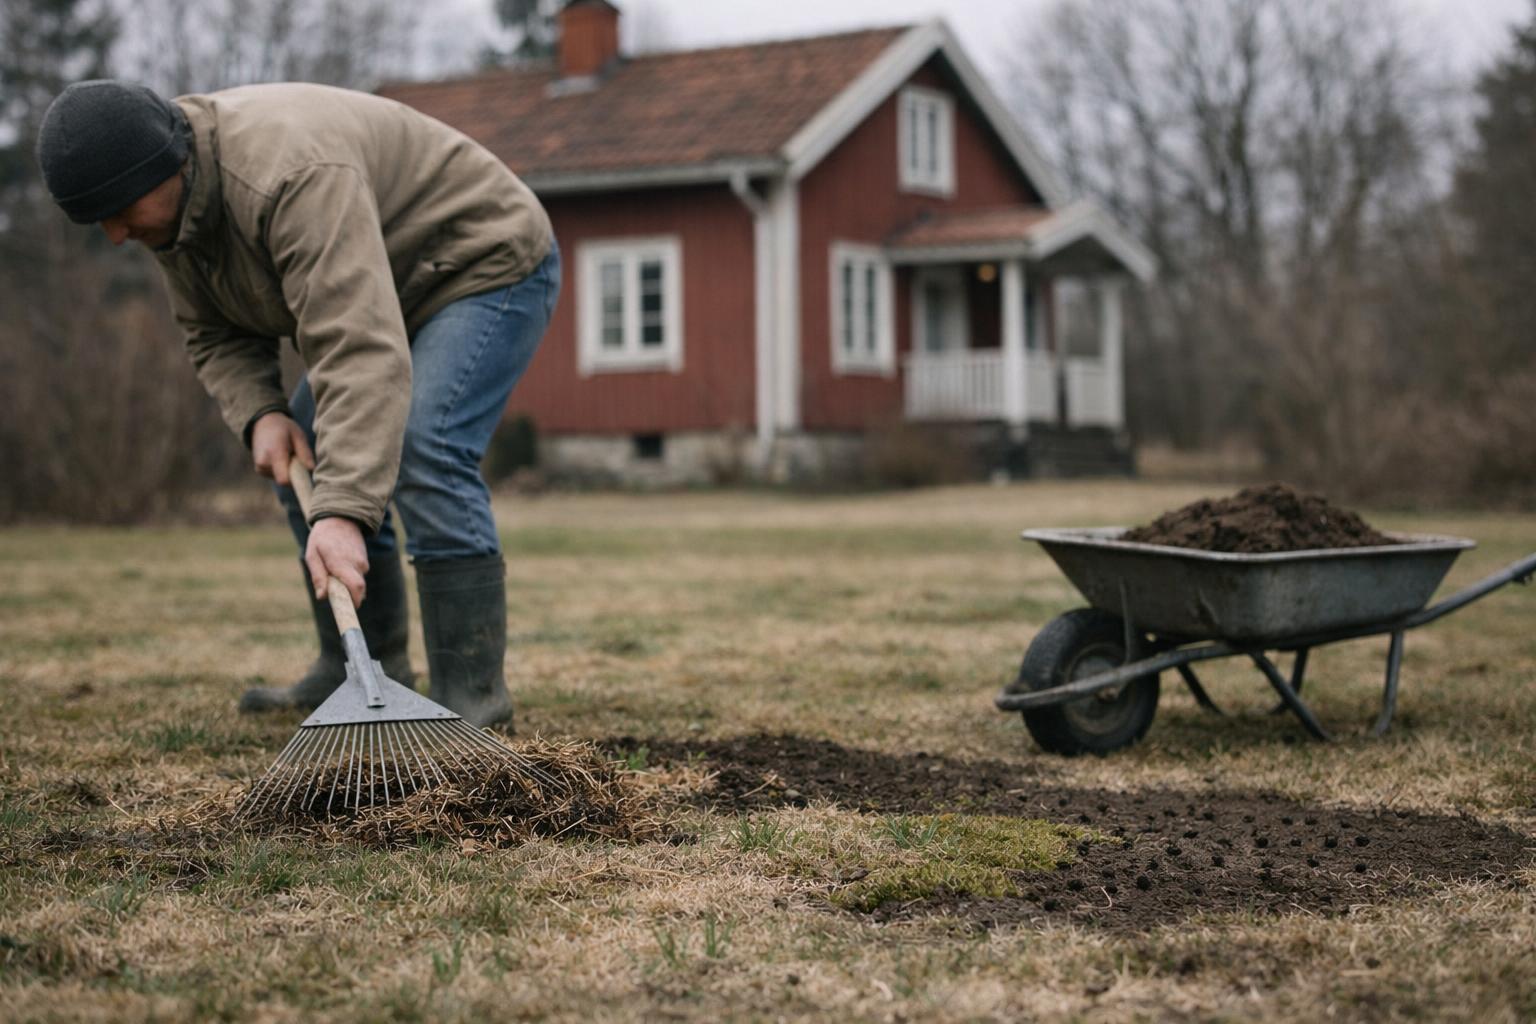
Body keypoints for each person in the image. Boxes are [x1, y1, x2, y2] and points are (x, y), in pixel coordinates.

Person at [35, 80, 559, 728]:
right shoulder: (174, 216)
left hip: (483, 262)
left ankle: (472, 700)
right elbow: (211, 331)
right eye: (99, 220)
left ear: (164, 163)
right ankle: (370, 672)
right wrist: (263, 413)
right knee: (303, 442)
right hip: (391, 287)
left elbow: (356, 345)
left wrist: (343, 513)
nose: (116, 234)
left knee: (425, 443)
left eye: (119, 210)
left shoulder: (290, 174)